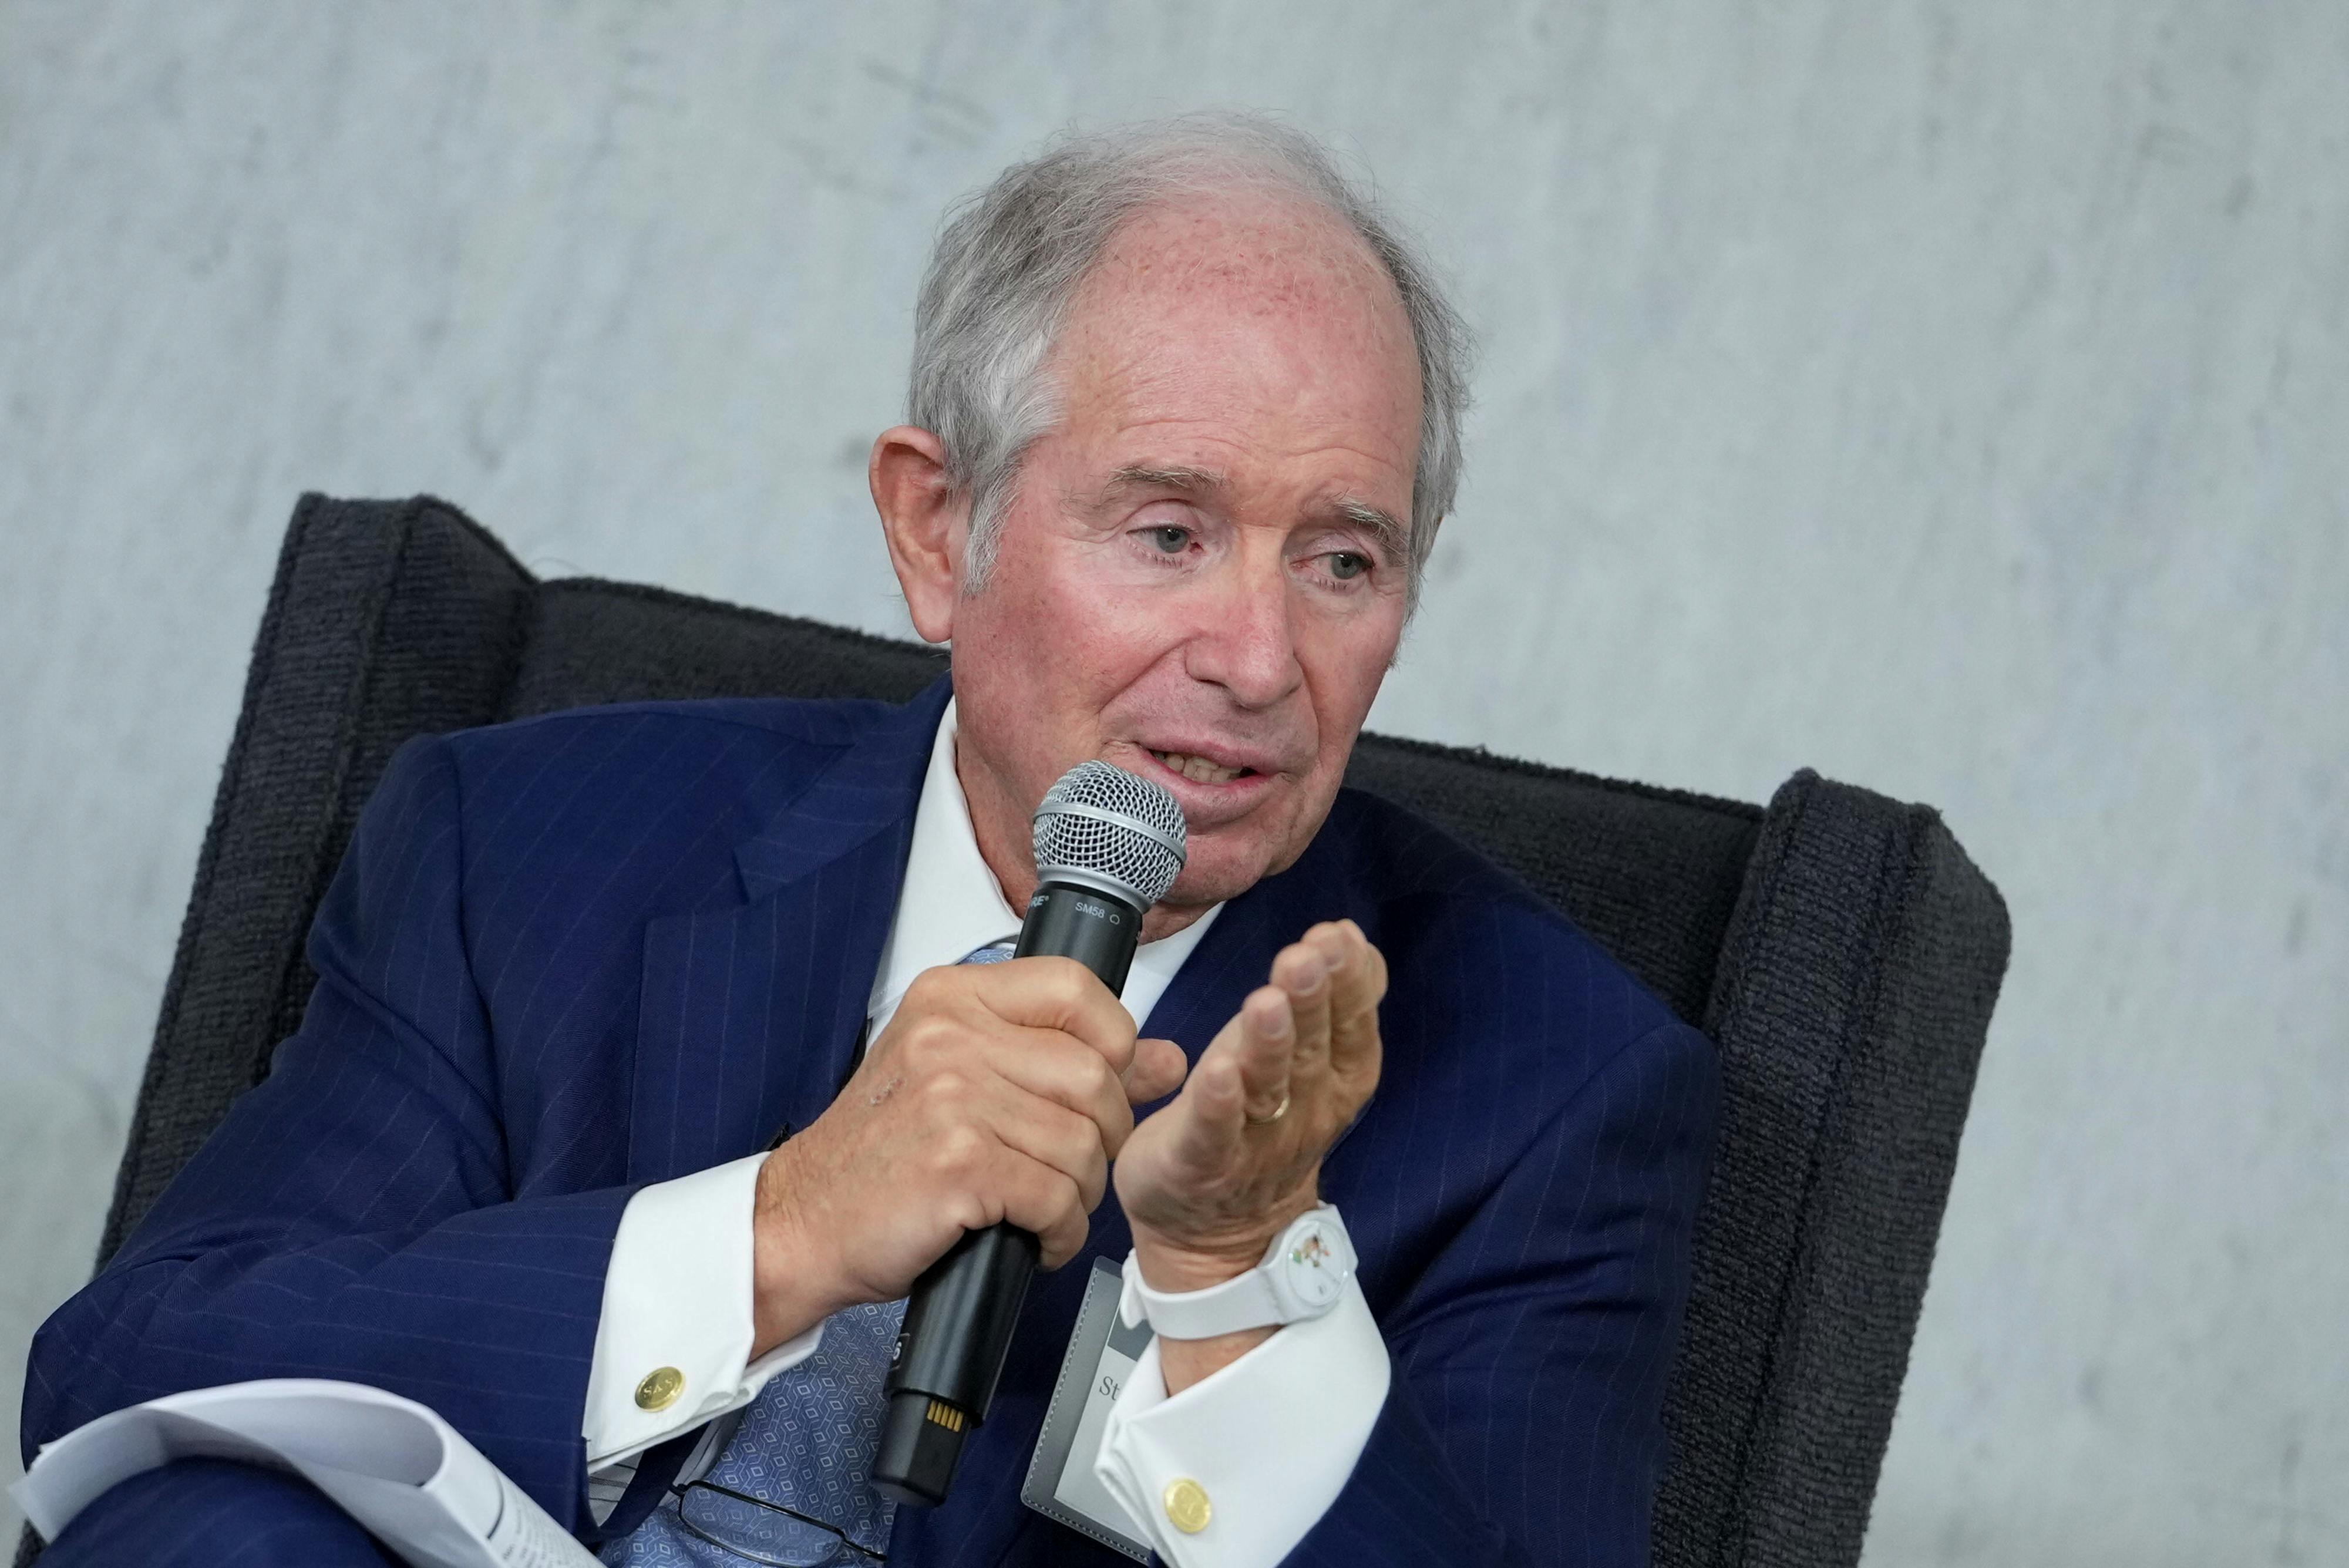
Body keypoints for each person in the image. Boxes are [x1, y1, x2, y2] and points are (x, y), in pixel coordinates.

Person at [23, 114, 1717, 1567]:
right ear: (934, 527)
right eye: (1168, 532)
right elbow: (134, 1365)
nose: (1261, 660)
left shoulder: (1550, 1085)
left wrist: (1234, 1299)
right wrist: (778, 1233)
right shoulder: (521, 848)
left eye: (1342, 562)